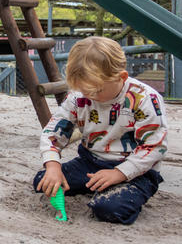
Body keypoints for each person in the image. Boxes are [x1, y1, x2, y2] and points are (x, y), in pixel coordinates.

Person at [33, 36, 168, 224]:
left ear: (121, 77)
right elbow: (52, 133)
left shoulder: (145, 99)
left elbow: (154, 147)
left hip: (137, 171)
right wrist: (53, 166)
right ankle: (99, 185)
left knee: (107, 208)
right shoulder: (79, 97)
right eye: (84, 90)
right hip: (91, 163)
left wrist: (119, 174)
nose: (90, 96)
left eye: (96, 91)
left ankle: (119, 191)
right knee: (43, 181)